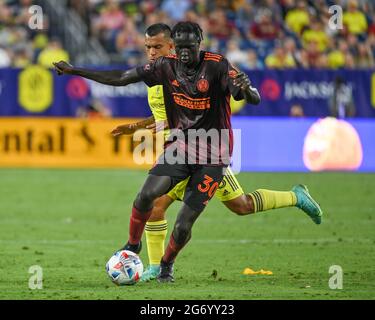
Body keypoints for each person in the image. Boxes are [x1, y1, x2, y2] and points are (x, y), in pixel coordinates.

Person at [53, 22, 322, 283]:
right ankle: (155, 266)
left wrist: (247, 88)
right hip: (181, 148)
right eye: (148, 47)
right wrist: (133, 124)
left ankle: (295, 196)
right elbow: (144, 99)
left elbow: (244, 95)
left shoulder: (213, 66)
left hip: (211, 151)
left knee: (240, 206)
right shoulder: (161, 70)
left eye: (157, 46)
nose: (152, 52)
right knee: (154, 203)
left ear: (173, 45)